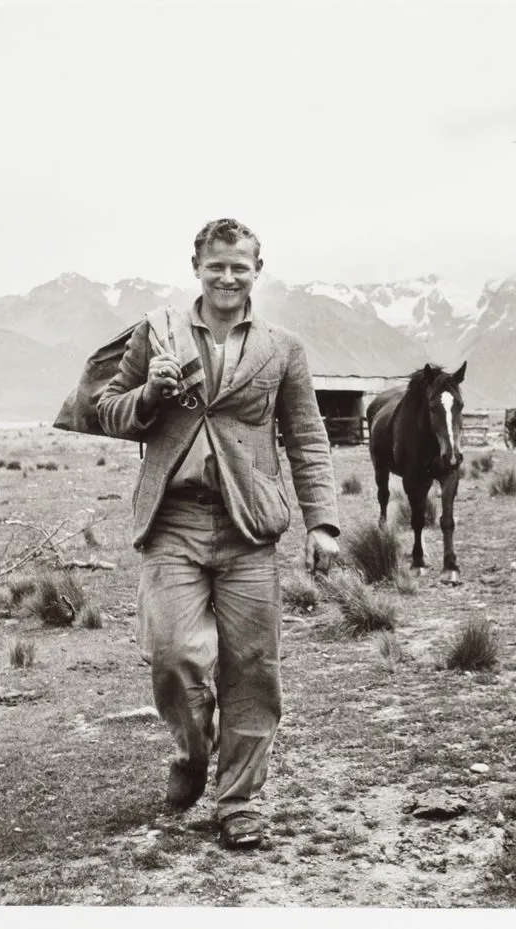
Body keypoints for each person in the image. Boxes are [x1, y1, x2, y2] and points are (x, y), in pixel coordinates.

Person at [97, 218, 340, 850]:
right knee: (172, 657)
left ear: (258, 270)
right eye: (216, 266)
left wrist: (324, 524)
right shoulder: (160, 334)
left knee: (253, 669)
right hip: (171, 521)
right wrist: (150, 392)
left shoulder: (282, 348)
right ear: (197, 268)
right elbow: (111, 412)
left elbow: (309, 438)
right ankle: (190, 754)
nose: (228, 276)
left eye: (240, 266)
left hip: (249, 525)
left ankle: (238, 803)